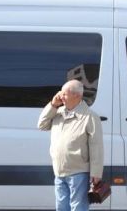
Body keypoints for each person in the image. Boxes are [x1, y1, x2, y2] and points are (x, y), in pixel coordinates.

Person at [37, 79, 104, 211]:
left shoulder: (90, 117)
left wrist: (96, 173)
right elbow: (42, 125)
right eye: (60, 93)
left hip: (79, 172)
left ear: (77, 96)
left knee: (78, 208)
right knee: (61, 208)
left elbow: (96, 147)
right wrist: (52, 105)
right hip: (59, 172)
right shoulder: (58, 112)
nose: (61, 96)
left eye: (65, 94)